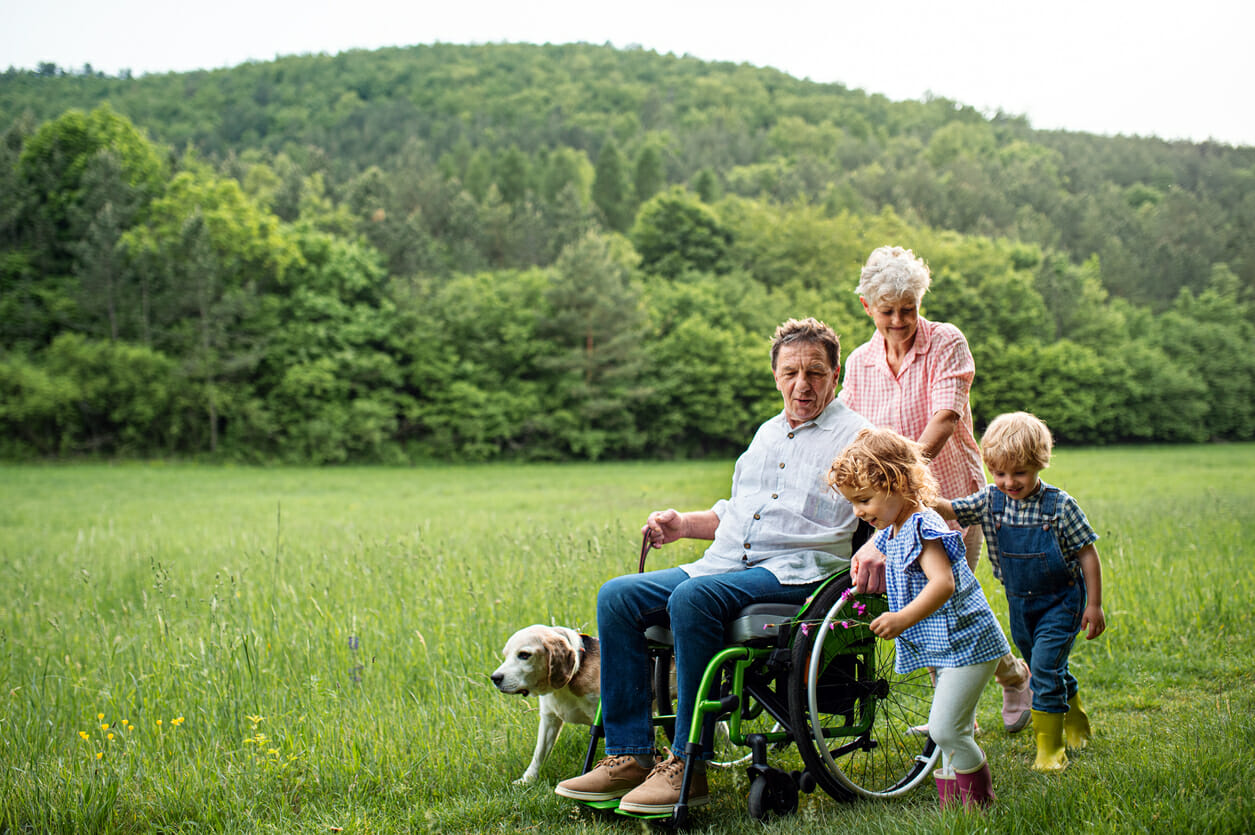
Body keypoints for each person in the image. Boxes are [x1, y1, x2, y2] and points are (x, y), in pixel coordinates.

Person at [554, 317, 873, 815]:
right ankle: (630, 755)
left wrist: (877, 544)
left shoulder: (857, 436)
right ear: (775, 376)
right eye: (790, 373)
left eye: (815, 372)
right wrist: (682, 524)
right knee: (618, 595)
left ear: (837, 375)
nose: (802, 384)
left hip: (798, 572)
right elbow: (736, 511)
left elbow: (903, 501)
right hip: (728, 563)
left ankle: (689, 762)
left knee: (693, 598)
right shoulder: (767, 434)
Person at [840, 244, 1032, 733]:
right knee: (921, 600)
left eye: (910, 309)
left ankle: (995, 688)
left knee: (952, 597)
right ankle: (961, 706)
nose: (900, 320)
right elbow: (851, 432)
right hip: (894, 507)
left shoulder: (947, 342)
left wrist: (906, 474)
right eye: (888, 312)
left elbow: (945, 417)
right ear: (868, 308)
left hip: (950, 497)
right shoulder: (860, 363)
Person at [827, 426, 1007, 808]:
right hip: (950, 645)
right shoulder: (895, 529)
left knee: (946, 729)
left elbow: (942, 584)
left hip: (970, 643)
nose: (859, 512)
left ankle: (981, 804)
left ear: (898, 483)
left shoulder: (923, 525)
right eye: (853, 504)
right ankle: (955, 809)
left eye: (865, 500)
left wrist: (902, 618)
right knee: (951, 731)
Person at [933, 411, 1105, 773]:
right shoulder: (990, 500)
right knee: (1050, 666)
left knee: (1043, 667)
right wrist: (917, 498)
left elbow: (1088, 553)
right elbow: (952, 509)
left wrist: (1095, 604)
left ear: (1039, 464)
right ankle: (1074, 718)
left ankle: (1051, 748)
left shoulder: (1060, 506)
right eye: (999, 474)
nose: (1009, 482)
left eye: (1019, 473)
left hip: (1062, 600)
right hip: (1020, 604)